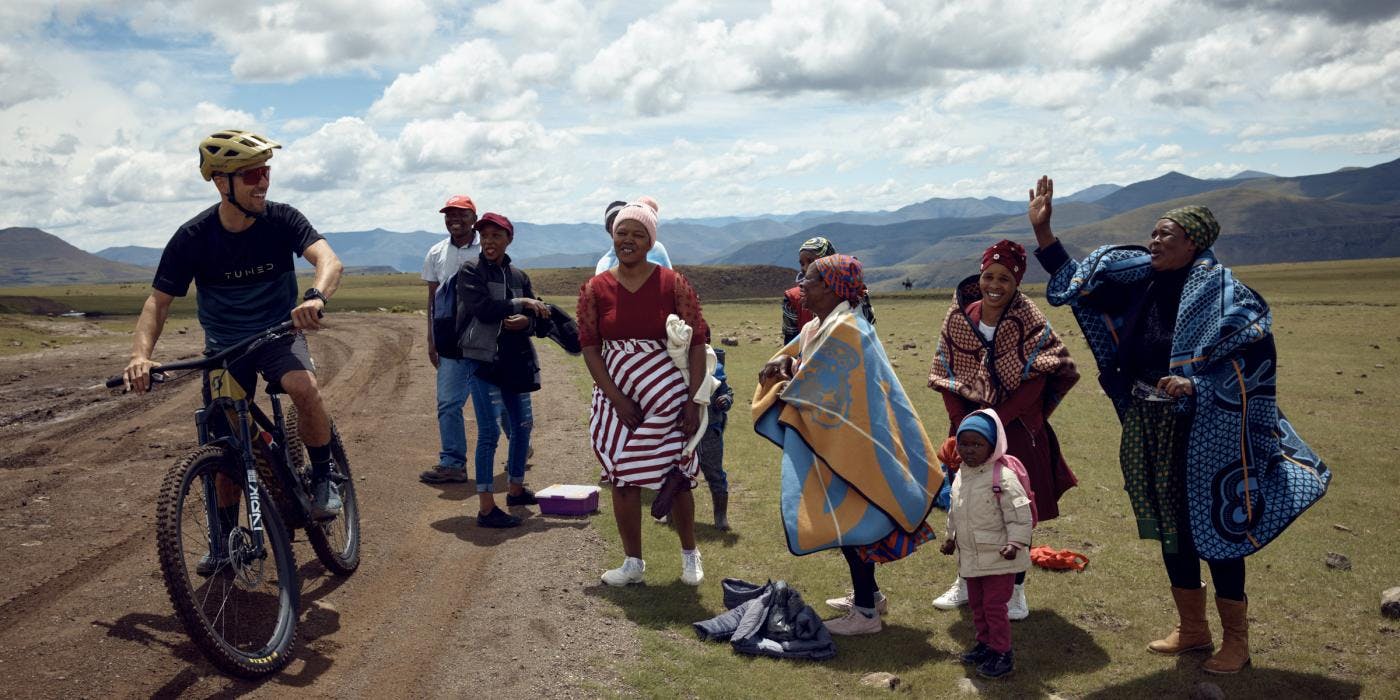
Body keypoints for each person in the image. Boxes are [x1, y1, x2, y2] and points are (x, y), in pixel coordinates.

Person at [1027, 176, 1330, 674]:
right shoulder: (1141, 281)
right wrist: (1044, 234)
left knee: (1217, 525)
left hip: (1210, 429)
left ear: (1195, 243)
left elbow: (1255, 357)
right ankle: (1193, 630)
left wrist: (1200, 387)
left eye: (1165, 236)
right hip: (1153, 422)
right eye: (1153, 233)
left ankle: (1237, 640)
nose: (1153, 242)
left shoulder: (1227, 296)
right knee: (1174, 527)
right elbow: (1084, 289)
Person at [756, 254, 940, 636]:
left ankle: (865, 615)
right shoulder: (822, 326)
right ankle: (870, 596)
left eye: (808, 280)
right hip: (842, 439)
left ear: (833, 287)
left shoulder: (847, 329)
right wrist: (787, 368)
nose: (800, 286)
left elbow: (824, 385)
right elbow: (807, 367)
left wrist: (788, 378)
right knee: (852, 518)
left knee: (858, 518)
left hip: (858, 442)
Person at [927, 239, 1080, 619]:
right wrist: (964, 424)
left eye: (1005, 278)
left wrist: (993, 421)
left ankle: (1015, 591)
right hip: (966, 430)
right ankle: (965, 582)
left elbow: (1040, 377)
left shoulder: (1028, 318)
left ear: (1017, 282)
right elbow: (948, 375)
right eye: (989, 276)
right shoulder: (960, 317)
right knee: (966, 506)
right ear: (980, 276)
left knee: (1013, 508)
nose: (995, 285)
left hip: (1017, 431)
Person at [578, 197, 708, 585]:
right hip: (616, 397)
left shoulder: (673, 283)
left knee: (677, 473)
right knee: (622, 475)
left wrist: (693, 399)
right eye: (622, 233)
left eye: (638, 234)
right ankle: (633, 563)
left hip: (668, 397)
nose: (628, 240)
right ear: (612, 237)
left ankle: (690, 555)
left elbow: (697, 340)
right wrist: (616, 399)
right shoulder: (595, 288)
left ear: (651, 241)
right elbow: (589, 345)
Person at [457, 212, 548, 528]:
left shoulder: (519, 275)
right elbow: (483, 311)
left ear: (509, 238)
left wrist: (528, 320)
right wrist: (520, 304)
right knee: (490, 432)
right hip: (483, 362)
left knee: (523, 425)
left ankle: (516, 489)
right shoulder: (471, 271)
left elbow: (537, 318)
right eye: (485, 235)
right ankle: (485, 509)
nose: (489, 241)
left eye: (497, 235)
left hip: (514, 361)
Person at [940, 409, 1033, 680]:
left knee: (994, 606)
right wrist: (950, 538)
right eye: (964, 444)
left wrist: (1015, 542)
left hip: (998, 558)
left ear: (992, 446)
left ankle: (1002, 652)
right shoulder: (961, 475)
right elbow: (955, 511)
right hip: (971, 556)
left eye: (977, 444)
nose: (969, 450)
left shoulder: (1003, 478)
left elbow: (1020, 514)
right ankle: (985, 644)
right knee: (978, 606)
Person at [420, 194, 482, 484]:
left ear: (474, 218)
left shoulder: (487, 247)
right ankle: (453, 462)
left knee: (498, 402)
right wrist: (431, 338)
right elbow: (432, 299)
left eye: (461, 214)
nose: (454, 219)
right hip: (449, 340)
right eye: (449, 215)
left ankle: (519, 443)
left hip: (484, 338)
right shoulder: (436, 253)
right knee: (447, 403)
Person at [780, 236, 874, 344]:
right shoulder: (794, 299)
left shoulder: (852, 315)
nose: (805, 268)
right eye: (802, 263)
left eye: (811, 262)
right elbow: (791, 345)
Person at [696, 338, 733, 530]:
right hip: (685, 431)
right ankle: (670, 512)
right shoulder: (679, 364)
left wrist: (724, 399)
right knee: (676, 472)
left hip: (710, 431)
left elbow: (727, 392)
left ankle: (720, 515)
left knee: (715, 473)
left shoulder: (715, 368)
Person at [595, 200, 672, 273]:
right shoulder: (604, 265)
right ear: (609, 230)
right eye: (614, 223)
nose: (628, 239)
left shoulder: (657, 248)